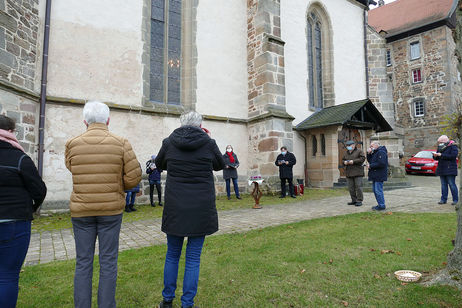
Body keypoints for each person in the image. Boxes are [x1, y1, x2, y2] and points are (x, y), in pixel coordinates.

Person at [65, 101, 141, 308]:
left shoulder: (72, 143)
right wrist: (117, 186)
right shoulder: (121, 142)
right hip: (110, 210)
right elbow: (134, 177)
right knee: (108, 262)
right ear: (108, 120)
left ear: (85, 121)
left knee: (83, 262)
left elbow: (72, 167)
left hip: (81, 210)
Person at [155, 111, 225, 308]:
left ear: (181, 123)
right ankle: (187, 304)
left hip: (176, 206)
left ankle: (167, 300)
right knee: (193, 258)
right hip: (200, 207)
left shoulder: (169, 142)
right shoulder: (208, 143)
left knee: (172, 254)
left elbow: (159, 164)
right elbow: (220, 164)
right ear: (200, 125)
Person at [0, 115, 47, 308]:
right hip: (14, 222)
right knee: (7, 275)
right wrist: (31, 209)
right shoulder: (20, 158)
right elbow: (39, 190)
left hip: (14, 219)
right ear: (11, 132)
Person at [433, 135, 459, 205]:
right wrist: (435, 156)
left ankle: (456, 200)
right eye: (439, 142)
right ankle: (443, 199)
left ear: (445, 141)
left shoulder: (453, 146)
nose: (440, 143)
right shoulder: (440, 147)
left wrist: (441, 155)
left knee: (452, 184)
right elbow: (437, 158)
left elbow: (453, 156)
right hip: (441, 168)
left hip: (450, 168)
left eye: (441, 142)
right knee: (443, 185)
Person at [342, 140, 365, 207]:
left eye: (349, 145)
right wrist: (344, 162)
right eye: (347, 146)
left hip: (358, 172)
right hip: (349, 172)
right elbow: (343, 160)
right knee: (351, 188)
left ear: (353, 145)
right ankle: (354, 200)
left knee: (358, 187)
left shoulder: (359, 151)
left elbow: (362, 158)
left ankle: (359, 200)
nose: (348, 147)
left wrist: (353, 161)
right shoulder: (346, 153)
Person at [366, 141, 388, 211]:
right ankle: (380, 204)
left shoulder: (381, 152)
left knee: (378, 190)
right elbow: (370, 161)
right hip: (375, 175)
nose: (370, 147)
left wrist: (371, 166)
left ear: (376, 145)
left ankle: (382, 205)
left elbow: (382, 163)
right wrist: (368, 154)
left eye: (371, 146)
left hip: (379, 174)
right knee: (375, 191)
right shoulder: (375, 152)